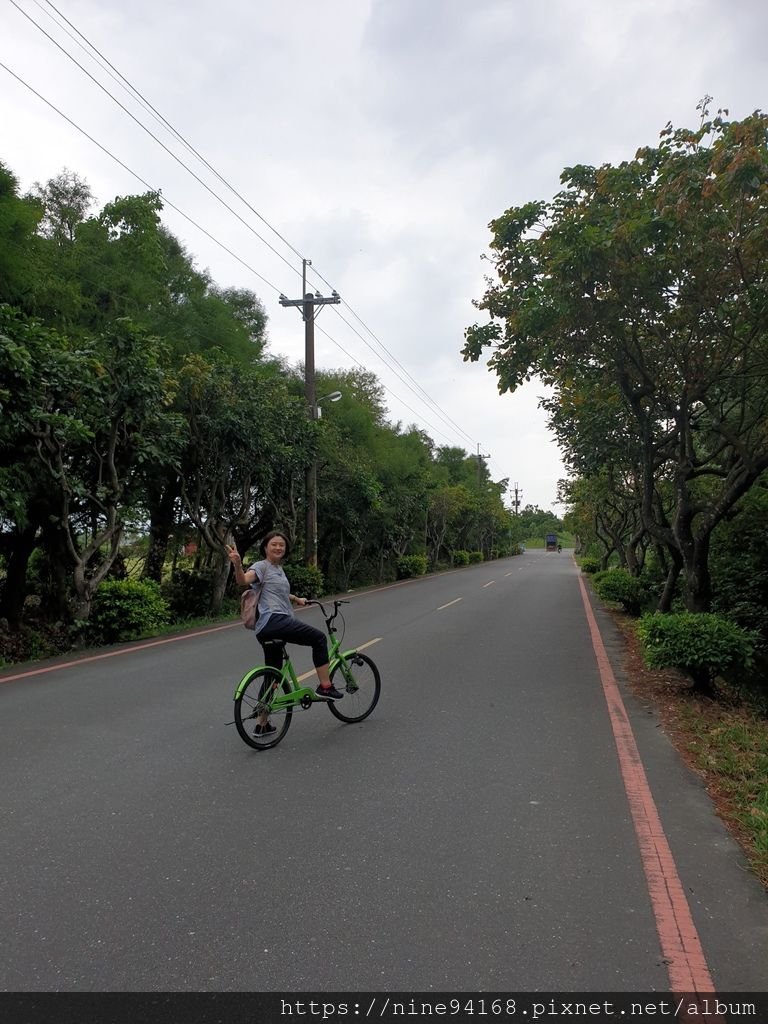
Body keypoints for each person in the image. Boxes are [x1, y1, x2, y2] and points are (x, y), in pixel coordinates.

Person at [228, 531, 342, 736]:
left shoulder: (278, 570)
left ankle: (262, 724)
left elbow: (277, 591)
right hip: (276, 621)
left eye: (282, 545)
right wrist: (237, 564)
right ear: (265, 547)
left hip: (265, 629)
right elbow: (243, 580)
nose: (278, 548)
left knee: (273, 674)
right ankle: (325, 686)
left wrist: (296, 598)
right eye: (274, 544)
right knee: (319, 638)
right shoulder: (261, 566)